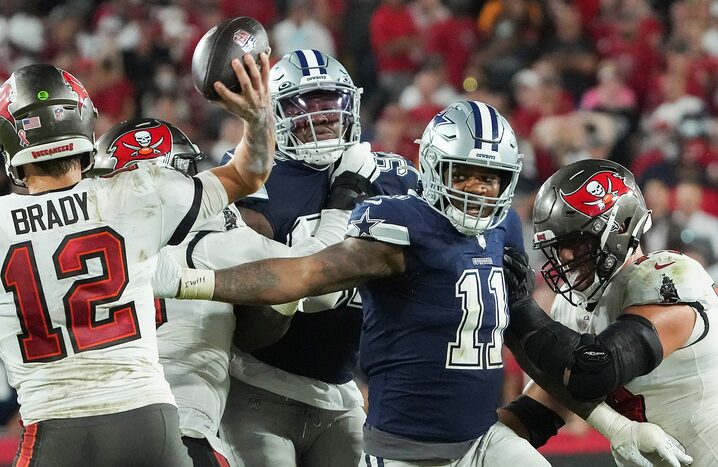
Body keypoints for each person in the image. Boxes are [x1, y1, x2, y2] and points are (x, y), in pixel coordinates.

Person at [0, 54, 274, 467]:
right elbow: (250, 173)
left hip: (56, 430)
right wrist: (257, 116)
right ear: (83, 122)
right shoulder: (136, 194)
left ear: (8, 141)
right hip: (149, 423)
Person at [166, 100, 556, 466]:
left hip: (482, 438)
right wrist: (185, 281)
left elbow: (520, 326)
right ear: (434, 169)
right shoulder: (402, 226)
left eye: (491, 178)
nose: (476, 189)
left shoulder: (504, 227)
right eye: (463, 174)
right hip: (404, 447)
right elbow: (301, 274)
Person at [87, 115, 377, 466]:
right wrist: (344, 196)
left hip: (84, 427)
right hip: (175, 428)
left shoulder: (72, 240)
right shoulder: (202, 235)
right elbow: (310, 277)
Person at [215, 49, 421, 467]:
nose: (323, 115)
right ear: (273, 112)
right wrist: (341, 203)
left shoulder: (392, 174)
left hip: (340, 386)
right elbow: (264, 284)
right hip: (257, 383)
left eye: (331, 101)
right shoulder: (253, 177)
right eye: (304, 103)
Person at [498, 159, 712, 466]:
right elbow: (541, 410)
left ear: (621, 226)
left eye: (576, 241)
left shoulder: (670, 277)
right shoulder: (572, 305)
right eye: (559, 246)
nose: (566, 256)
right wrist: (472, 447)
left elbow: (594, 372)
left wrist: (517, 307)